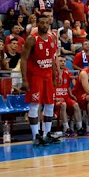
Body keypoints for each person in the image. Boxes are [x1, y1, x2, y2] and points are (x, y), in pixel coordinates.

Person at [21, 14, 60, 146]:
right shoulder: (32, 39)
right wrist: (24, 79)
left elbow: (53, 60)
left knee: (50, 105)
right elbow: (24, 59)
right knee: (35, 105)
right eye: (41, 23)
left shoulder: (52, 38)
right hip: (35, 76)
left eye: (46, 23)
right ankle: (35, 135)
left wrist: (54, 77)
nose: (44, 25)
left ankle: (47, 133)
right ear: (37, 24)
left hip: (48, 76)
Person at [54, 56, 83, 137]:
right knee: (63, 104)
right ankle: (66, 128)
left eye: (64, 61)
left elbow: (68, 86)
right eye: (60, 61)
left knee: (76, 105)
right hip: (55, 98)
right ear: (56, 62)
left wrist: (71, 94)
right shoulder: (53, 73)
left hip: (66, 96)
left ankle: (79, 127)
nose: (63, 62)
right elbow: (49, 88)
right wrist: (55, 98)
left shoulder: (67, 71)